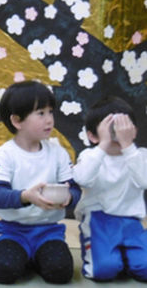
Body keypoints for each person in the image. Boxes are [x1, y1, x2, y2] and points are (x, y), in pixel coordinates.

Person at [0, 80, 80, 284]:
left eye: (50, 112)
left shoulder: (58, 153)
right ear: (17, 121)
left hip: (48, 231)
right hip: (11, 230)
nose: (49, 120)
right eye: (40, 113)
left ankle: (37, 256)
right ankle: (25, 256)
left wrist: (69, 196)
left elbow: (74, 189)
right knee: (3, 272)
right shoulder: (3, 156)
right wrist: (25, 196)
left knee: (61, 272)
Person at [73, 96, 147, 282]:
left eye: (122, 126)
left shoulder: (139, 155)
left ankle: (126, 257)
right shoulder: (90, 155)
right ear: (92, 135)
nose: (116, 133)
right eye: (109, 128)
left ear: (133, 130)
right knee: (104, 271)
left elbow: (144, 181)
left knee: (145, 268)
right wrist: (104, 144)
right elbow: (82, 179)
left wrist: (128, 146)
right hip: (98, 219)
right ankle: (114, 257)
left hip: (132, 222)